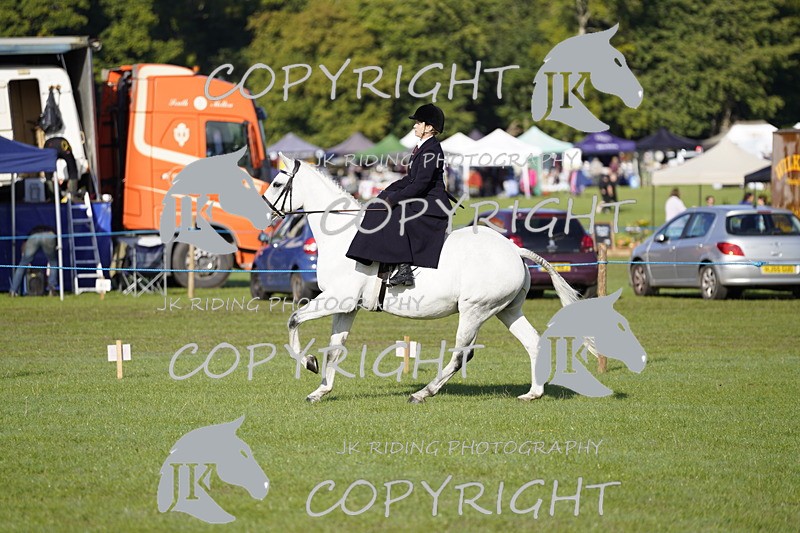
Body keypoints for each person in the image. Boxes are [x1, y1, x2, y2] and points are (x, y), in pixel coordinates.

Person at [346, 103, 451, 286]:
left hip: (432, 203)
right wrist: (385, 192)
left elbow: (420, 184)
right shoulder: (421, 147)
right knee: (377, 206)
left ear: (429, 127)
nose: (414, 126)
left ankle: (404, 268)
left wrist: (393, 199)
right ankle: (368, 256)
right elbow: (410, 178)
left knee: (395, 212)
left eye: (418, 123)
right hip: (422, 197)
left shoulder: (432, 150)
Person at [10, 226, 58, 297]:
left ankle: (13, 291)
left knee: (23, 264)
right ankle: (52, 290)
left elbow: (24, 245)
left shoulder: (32, 230)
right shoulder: (52, 229)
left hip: (33, 236)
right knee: (53, 262)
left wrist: (24, 254)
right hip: (49, 235)